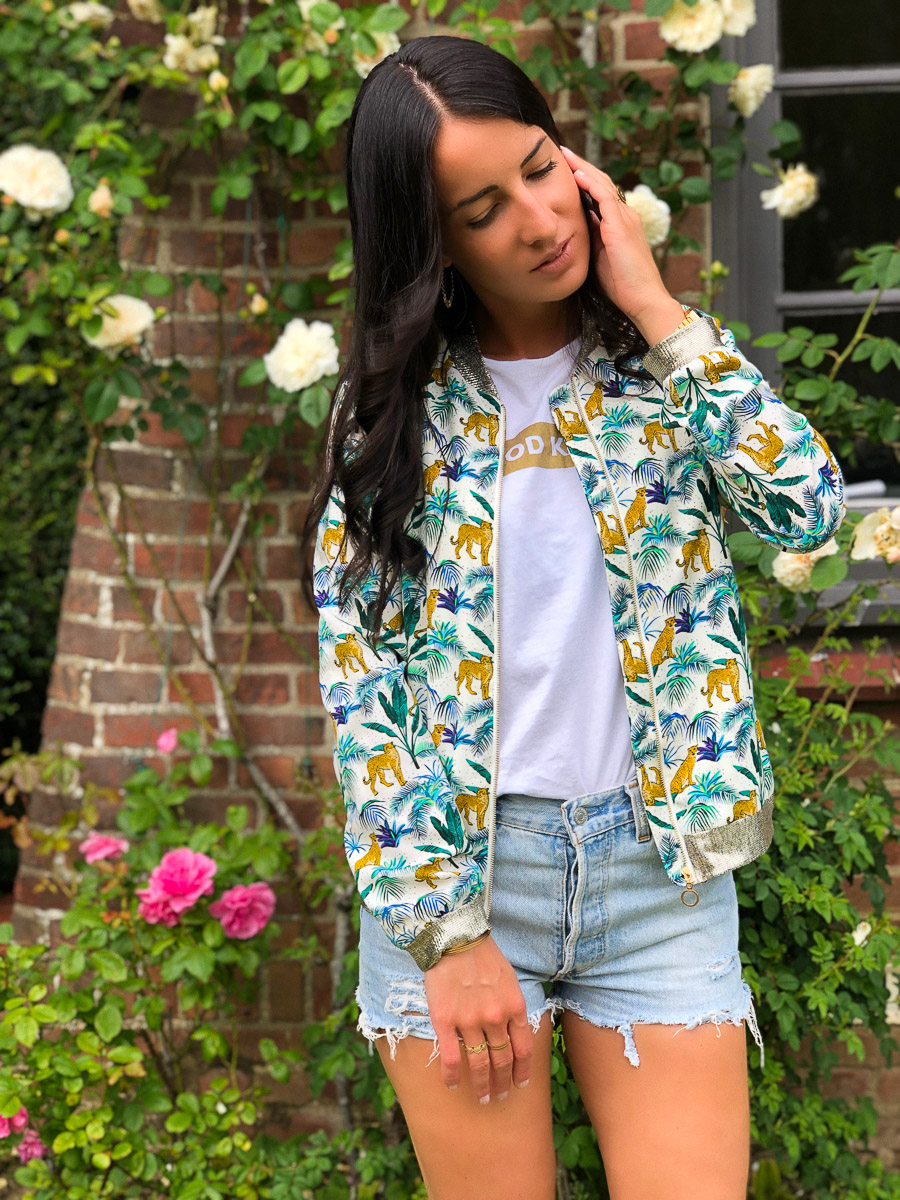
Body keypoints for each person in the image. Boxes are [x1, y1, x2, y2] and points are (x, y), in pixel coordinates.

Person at [299, 33, 845, 1200]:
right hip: (462, 879)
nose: (540, 220)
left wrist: (655, 306)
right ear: (435, 243)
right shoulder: (389, 414)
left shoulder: (663, 370)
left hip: (657, 877)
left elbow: (805, 508)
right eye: (484, 208)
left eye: (542, 168)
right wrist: (447, 936)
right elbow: (364, 686)